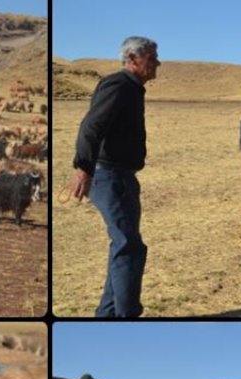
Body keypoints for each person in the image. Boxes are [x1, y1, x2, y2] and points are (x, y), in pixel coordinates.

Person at [69, 36, 160, 317]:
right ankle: (126, 316)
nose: (157, 63)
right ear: (132, 59)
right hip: (109, 175)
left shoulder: (131, 88)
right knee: (128, 245)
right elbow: (91, 127)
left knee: (123, 244)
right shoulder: (118, 85)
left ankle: (108, 314)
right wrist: (83, 168)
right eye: (151, 58)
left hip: (119, 176)